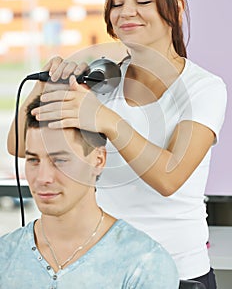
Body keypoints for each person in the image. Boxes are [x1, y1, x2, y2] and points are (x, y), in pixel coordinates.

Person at [7, 0, 227, 288]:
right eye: (117, 2)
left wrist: (106, 120)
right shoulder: (100, 83)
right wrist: (46, 85)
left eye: (143, 1)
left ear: (177, 9)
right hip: (104, 270)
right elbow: (19, 145)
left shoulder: (204, 88)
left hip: (177, 273)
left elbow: (170, 177)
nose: (127, 12)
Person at [1, 95, 179, 289]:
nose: (43, 178)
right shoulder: (5, 255)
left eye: (60, 160)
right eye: (33, 160)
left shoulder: (144, 263)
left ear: (98, 160)